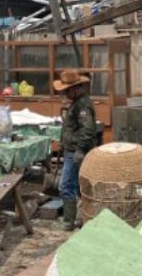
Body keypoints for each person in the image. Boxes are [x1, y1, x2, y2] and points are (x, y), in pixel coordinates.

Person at [54, 69, 96, 231]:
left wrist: (79, 150)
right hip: (72, 151)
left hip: (76, 152)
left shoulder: (83, 104)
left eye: (67, 90)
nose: (65, 93)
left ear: (75, 88)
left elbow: (88, 129)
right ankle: (85, 217)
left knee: (66, 186)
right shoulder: (78, 103)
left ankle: (68, 221)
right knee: (80, 187)